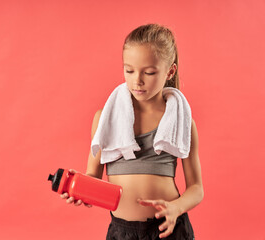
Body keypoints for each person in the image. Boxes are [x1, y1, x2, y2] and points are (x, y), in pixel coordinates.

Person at [60, 23, 203, 240]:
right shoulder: (105, 119)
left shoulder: (181, 122)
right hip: (122, 232)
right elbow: (93, 174)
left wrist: (176, 207)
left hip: (168, 229)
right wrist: (82, 191)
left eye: (149, 72)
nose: (137, 80)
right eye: (129, 70)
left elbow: (196, 188)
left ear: (170, 71)